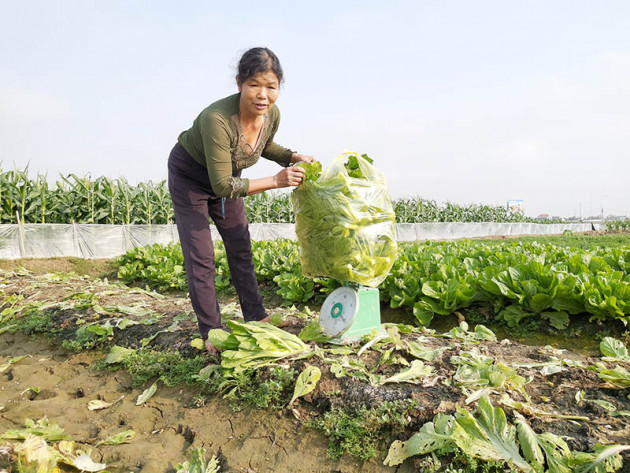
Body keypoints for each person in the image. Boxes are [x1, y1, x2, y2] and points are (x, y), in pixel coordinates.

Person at [167, 47, 314, 353]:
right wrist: (276, 181)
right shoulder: (216, 119)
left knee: (240, 246)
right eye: (255, 85)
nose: (263, 95)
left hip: (229, 178)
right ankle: (211, 331)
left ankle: (257, 316)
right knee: (201, 256)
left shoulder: (271, 114)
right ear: (239, 84)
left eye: (271, 87)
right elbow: (222, 185)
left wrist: (290, 157)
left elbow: (263, 145)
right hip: (192, 178)